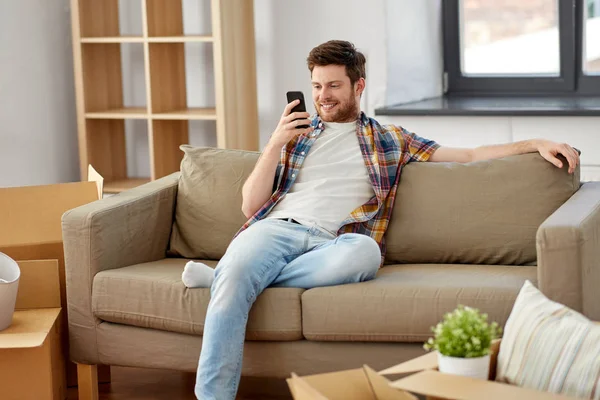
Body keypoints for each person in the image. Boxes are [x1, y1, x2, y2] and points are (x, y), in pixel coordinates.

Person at [181, 40, 581, 399]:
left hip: (336, 242)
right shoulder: (295, 135)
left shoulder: (390, 138)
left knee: (366, 254)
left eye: (334, 85)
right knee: (239, 278)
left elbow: (471, 156)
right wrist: (273, 144)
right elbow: (251, 207)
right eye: (317, 86)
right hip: (277, 230)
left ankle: (226, 276)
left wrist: (535, 143)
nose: (323, 96)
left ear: (358, 86)